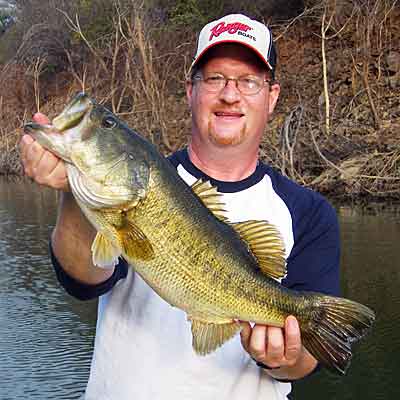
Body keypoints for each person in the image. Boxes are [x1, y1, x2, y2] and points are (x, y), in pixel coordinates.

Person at [19, 13, 340, 400]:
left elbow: (306, 361)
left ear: (271, 97)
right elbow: (82, 280)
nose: (230, 94)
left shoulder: (309, 213)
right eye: (215, 78)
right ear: (191, 90)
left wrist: (281, 356)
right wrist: (71, 187)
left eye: (248, 81)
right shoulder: (144, 184)